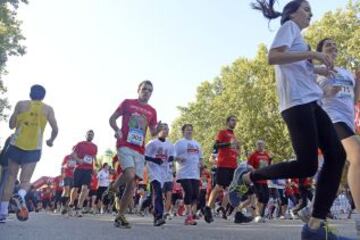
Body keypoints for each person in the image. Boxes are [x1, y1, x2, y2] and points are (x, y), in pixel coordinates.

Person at [238, 1, 351, 239]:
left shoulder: (299, 38)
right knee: (308, 165)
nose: (311, 14)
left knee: (336, 155)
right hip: (296, 104)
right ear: (292, 12)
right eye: (306, 9)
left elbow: (297, 68)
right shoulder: (289, 27)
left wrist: (318, 69)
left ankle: (315, 227)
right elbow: (273, 56)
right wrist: (314, 54)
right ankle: (250, 176)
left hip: (311, 101)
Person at [315, 38, 360, 235]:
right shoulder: (316, 71)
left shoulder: (345, 72)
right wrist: (327, 91)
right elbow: (312, 95)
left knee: (336, 170)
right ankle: (359, 215)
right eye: (328, 45)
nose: (333, 46)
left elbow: (354, 99)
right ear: (320, 51)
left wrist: (358, 81)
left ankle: (315, 210)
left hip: (348, 121)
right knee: (357, 156)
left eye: (335, 44)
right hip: (331, 119)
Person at [0, 85, 58, 223]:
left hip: (16, 145)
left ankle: (2, 213)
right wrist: (51, 140)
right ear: (43, 96)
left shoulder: (21, 104)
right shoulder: (48, 109)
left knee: (10, 178)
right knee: (25, 181)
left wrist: (18, 114)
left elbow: (11, 125)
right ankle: (20, 195)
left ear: (30, 94)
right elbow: (55, 128)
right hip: (34, 148)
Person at [109, 80, 160, 228]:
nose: (147, 92)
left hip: (139, 149)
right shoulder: (127, 103)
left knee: (132, 185)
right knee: (129, 174)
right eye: (144, 89)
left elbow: (153, 132)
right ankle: (113, 187)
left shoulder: (152, 111)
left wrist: (159, 128)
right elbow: (112, 119)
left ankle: (120, 216)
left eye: (150, 90)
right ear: (138, 90)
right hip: (124, 144)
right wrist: (116, 130)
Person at [203, 116, 240, 223]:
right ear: (227, 122)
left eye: (235, 120)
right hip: (223, 164)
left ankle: (223, 208)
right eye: (232, 120)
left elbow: (235, 150)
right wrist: (229, 144)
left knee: (231, 188)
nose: (234, 122)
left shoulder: (234, 135)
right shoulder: (222, 132)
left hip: (233, 165)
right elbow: (216, 145)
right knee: (219, 186)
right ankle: (208, 208)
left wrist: (237, 151)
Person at [144, 123, 175, 226]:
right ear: (159, 130)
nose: (165, 131)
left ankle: (154, 212)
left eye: (167, 129)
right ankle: (159, 216)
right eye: (163, 129)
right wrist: (154, 160)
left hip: (164, 172)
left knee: (156, 194)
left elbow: (171, 157)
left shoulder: (170, 145)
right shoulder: (152, 143)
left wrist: (171, 159)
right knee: (157, 192)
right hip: (153, 170)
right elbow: (144, 156)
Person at [175, 124, 203, 225]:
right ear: (183, 132)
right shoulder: (179, 143)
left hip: (195, 173)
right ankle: (188, 215)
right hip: (183, 172)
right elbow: (173, 156)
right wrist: (179, 158)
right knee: (189, 192)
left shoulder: (197, 144)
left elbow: (200, 157)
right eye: (187, 130)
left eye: (191, 130)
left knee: (196, 195)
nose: (189, 132)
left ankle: (190, 213)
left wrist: (201, 163)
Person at [67, 130, 98, 217]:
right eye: (89, 134)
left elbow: (94, 158)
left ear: (93, 136)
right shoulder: (80, 144)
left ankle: (79, 207)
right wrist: (78, 160)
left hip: (88, 170)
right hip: (79, 169)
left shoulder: (95, 146)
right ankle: (71, 204)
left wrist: (95, 168)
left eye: (92, 135)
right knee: (76, 188)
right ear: (86, 135)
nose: (90, 136)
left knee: (85, 188)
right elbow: (73, 154)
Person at [247, 140, 271, 223]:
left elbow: (268, 165)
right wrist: (255, 171)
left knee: (265, 198)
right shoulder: (253, 155)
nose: (260, 146)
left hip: (264, 180)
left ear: (264, 145)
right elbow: (249, 165)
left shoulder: (266, 155)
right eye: (259, 145)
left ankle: (259, 214)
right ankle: (257, 215)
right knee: (258, 197)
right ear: (256, 146)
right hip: (256, 179)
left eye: (262, 145)